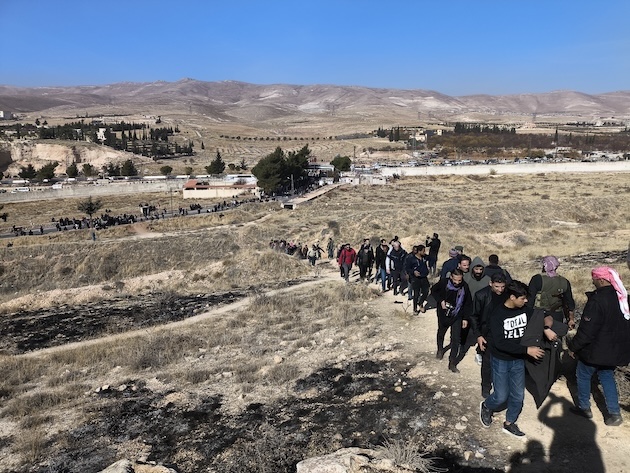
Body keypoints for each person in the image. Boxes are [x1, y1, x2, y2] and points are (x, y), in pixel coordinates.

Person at [479, 280, 546, 438]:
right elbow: (500, 343)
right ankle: (487, 406)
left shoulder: (524, 310)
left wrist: (547, 326)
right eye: (522, 298)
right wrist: (526, 350)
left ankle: (509, 423)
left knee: (517, 395)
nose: (526, 301)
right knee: (501, 396)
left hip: (518, 360)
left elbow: (540, 315)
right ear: (512, 297)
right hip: (501, 360)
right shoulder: (497, 315)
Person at [568, 266, 630, 426]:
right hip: (614, 350)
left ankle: (584, 408)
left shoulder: (597, 300)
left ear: (601, 280)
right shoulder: (622, 297)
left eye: (594, 278)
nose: (592, 281)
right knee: (607, 377)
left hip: (595, 350)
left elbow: (587, 330)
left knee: (583, 374)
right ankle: (614, 413)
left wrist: (574, 347)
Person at [470, 273, 507, 398]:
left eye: (502, 287)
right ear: (490, 283)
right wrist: (479, 335)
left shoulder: (507, 294)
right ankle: (486, 387)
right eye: (497, 286)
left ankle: (500, 386)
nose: (500, 290)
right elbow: (474, 316)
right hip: (487, 334)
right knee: (487, 364)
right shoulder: (481, 295)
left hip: (503, 334)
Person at [430, 268, 473, 373]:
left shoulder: (464, 286)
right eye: (455, 280)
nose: (457, 283)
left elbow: (468, 303)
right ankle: (440, 349)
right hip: (444, 314)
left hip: (457, 315)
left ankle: (452, 362)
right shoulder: (443, 283)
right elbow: (433, 291)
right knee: (441, 332)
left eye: (459, 280)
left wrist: (466, 318)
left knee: (456, 339)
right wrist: (441, 300)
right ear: (451, 277)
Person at [528, 255, 576, 328]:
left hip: (539, 314)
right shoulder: (564, 281)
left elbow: (530, 300)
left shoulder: (537, 279)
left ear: (544, 265)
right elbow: (570, 303)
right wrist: (571, 319)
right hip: (557, 315)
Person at [406, 245, 430, 314]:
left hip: (424, 277)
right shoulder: (411, 259)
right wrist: (413, 272)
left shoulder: (425, 257)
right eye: (423, 251)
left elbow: (431, 258)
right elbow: (407, 268)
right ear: (419, 251)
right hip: (415, 278)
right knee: (416, 294)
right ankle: (415, 309)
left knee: (426, 291)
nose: (424, 252)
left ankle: (420, 302)